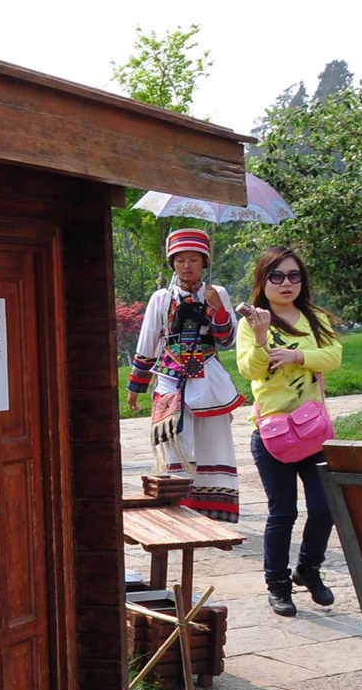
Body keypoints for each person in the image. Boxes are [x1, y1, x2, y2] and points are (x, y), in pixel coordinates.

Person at [235, 247, 343, 617]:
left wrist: (298, 356)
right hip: (273, 436)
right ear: (262, 281)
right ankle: (278, 585)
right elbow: (250, 371)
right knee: (283, 513)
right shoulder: (251, 323)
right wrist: (265, 340)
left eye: (294, 276)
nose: (286, 283)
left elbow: (334, 356)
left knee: (325, 507)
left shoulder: (314, 318)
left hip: (313, 433)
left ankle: (308, 570)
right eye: (277, 276)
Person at [127, 229, 246, 521]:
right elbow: (148, 342)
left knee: (214, 441)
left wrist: (217, 308)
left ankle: (215, 511)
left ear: (204, 262)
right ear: (172, 263)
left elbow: (227, 338)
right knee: (173, 442)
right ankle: (179, 509)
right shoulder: (161, 298)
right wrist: (136, 386)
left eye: (194, 259)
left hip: (208, 379)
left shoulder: (218, 293)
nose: (187, 265)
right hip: (169, 379)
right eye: (180, 260)